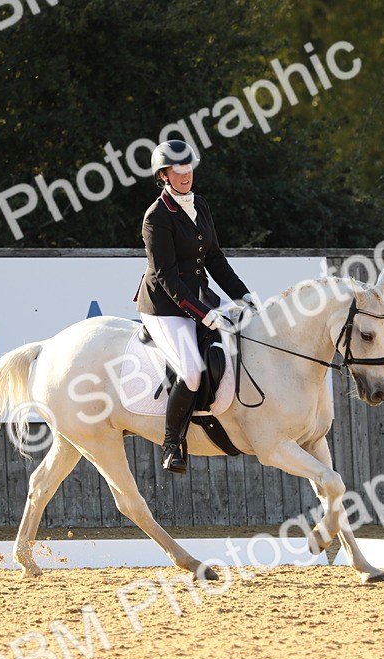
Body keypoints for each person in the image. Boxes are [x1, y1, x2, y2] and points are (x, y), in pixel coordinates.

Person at [135, 140, 258, 474]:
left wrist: (245, 297)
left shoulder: (200, 205)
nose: (186, 175)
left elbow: (214, 258)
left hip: (198, 296)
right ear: (164, 175)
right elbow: (168, 278)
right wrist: (203, 314)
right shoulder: (156, 217)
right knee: (190, 372)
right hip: (163, 304)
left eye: (188, 168)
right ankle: (172, 444)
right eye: (178, 170)